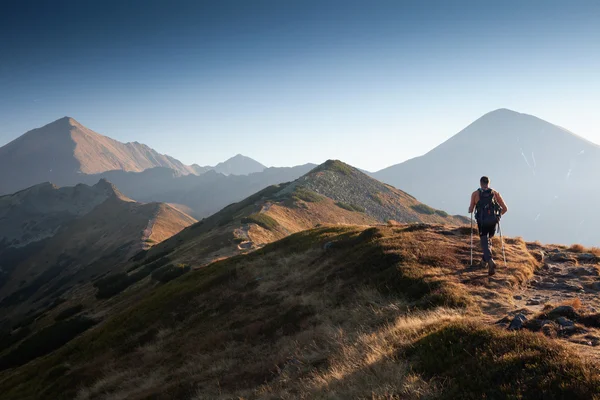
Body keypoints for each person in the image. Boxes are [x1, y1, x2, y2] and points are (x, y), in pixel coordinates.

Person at [468, 176, 508, 276]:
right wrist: (497, 217)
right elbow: (505, 208)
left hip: (482, 222)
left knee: (484, 241)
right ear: (489, 183)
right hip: (493, 221)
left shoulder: (475, 194)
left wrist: (471, 208)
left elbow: (471, 209)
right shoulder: (495, 193)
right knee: (488, 240)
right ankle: (484, 262)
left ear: (480, 183)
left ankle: (490, 260)